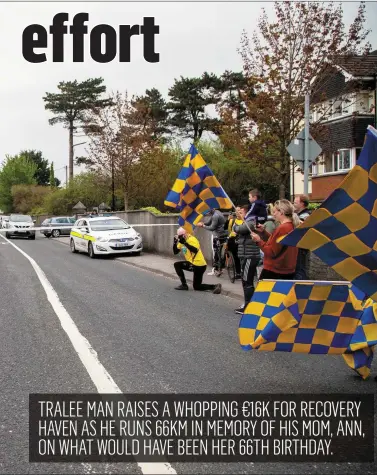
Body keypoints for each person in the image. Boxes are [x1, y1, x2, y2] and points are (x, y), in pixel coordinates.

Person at [250, 199, 299, 280]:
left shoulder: (282, 228)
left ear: (281, 212)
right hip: (287, 270)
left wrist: (259, 241)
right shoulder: (292, 226)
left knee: (263, 293)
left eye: (275, 211)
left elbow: (272, 251)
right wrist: (263, 232)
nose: (273, 214)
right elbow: (277, 244)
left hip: (275, 270)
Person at [173, 227, 222, 294]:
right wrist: (174, 243)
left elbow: (195, 250)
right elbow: (175, 252)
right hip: (193, 264)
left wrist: (185, 243)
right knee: (197, 287)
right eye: (179, 236)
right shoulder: (181, 242)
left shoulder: (192, 239)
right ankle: (215, 286)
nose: (180, 237)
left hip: (199, 265)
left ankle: (184, 285)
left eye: (181, 236)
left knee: (177, 265)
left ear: (185, 234)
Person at [233, 204, 262, 315]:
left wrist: (236, 226)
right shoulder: (247, 221)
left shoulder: (251, 221)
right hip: (245, 254)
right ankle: (248, 304)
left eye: (240, 212)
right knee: (245, 280)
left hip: (250, 255)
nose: (238, 214)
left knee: (247, 280)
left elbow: (240, 229)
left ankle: (249, 306)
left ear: (246, 211)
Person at [196, 209, 228, 276]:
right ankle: (220, 267)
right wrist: (203, 223)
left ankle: (216, 269)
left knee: (216, 252)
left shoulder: (215, 216)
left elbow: (212, 228)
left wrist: (203, 226)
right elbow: (209, 222)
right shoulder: (217, 212)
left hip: (218, 235)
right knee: (222, 252)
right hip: (224, 234)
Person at [293, 194, 311, 279]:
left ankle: (302, 286)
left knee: (300, 269)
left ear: (302, 204)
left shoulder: (306, 215)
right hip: (298, 245)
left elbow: (299, 225)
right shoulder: (300, 214)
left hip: (302, 246)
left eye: (295, 202)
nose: (293, 204)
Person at [224, 207, 243, 278]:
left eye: (240, 211)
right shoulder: (233, 220)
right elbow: (225, 227)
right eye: (237, 211)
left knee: (240, 257)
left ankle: (240, 271)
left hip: (240, 240)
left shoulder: (245, 221)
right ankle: (238, 272)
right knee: (235, 256)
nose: (238, 213)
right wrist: (228, 219)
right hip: (232, 240)